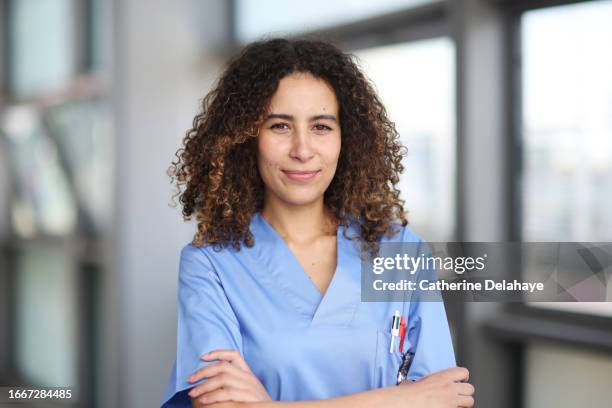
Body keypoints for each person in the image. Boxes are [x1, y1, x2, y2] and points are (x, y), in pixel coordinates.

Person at [161, 38, 474, 408]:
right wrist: (398, 399)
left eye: (321, 127)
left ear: (347, 138)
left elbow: (446, 400)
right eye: (279, 126)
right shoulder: (210, 264)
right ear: (246, 137)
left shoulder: (401, 251)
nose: (303, 149)